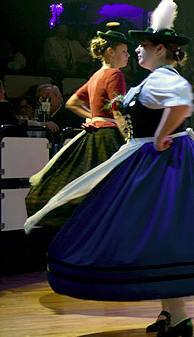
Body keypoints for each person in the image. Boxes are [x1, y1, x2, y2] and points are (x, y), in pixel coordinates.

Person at [25, 0, 194, 337]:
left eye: (143, 45)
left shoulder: (165, 76)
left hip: (165, 165)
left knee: (164, 236)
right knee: (159, 238)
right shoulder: (154, 77)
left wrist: (163, 135)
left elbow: (181, 104)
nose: (136, 51)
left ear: (160, 48)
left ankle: (179, 317)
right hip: (155, 162)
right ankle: (170, 312)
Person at [25, 28, 130, 226]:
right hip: (109, 137)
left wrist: (96, 117)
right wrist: (128, 137)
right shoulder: (116, 74)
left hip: (93, 134)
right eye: (124, 51)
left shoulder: (97, 75)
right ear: (110, 52)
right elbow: (117, 109)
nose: (128, 55)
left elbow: (72, 102)